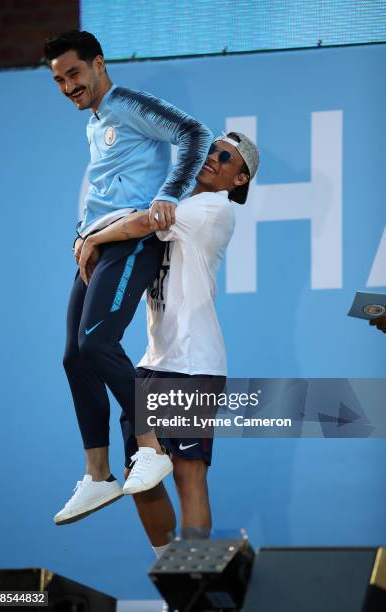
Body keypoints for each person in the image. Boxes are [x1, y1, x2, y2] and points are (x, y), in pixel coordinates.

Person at [43, 30, 213, 525]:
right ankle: (97, 476)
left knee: (98, 341)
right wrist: (85, 235)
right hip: (98, 241)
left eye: (74, 73)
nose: (68, 86)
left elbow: (194, 133)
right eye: (58, 80)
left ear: (98, 63)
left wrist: (169, 195)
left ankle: (149, 444)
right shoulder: (94, 123)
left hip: (132, 237)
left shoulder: (126, 102)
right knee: (75, 355)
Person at [78, 132, 259, 555]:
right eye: (210, 149)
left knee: (187, 475)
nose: (211, 157)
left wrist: (92, 238)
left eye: (224, 157)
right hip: (154, 360)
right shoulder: (181, 200)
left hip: (193, 362)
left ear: (239, 179)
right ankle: (173, 576)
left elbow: (142, 223)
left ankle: (192, 579)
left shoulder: (213, 209)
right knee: (141, 475)